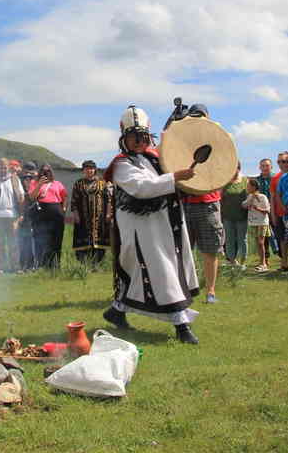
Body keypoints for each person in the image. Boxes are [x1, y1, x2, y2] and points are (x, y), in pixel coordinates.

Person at [102, 105, 200, 344]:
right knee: (162, 272)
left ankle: (117, 310)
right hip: (141, 230)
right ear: (125, 138)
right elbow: (143, 187)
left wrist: (178, 124)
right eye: (133, 137)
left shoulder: (157, 158)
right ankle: (182, 325)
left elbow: (174, 152)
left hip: (166, 223)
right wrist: (175, 177)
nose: (138, 142)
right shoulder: (122, 164)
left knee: (147, 273)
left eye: (142, 137)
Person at [181, 104, 224, 303]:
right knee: (183, 250)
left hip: (208, 202)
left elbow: (225, 164)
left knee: (210, 249)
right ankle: (184, 290)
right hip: (186, 202)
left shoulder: (217, 139)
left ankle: (211, 291)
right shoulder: (181, 142)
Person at [70, 160, 113, 268]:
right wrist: (76, 215)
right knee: (83, 238)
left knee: (99, 240)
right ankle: (84, 264)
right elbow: (74, 201)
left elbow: (108, 199)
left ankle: (97, 264)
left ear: (95, 170)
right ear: (83, 170)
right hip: (83, 218)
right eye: (86, 168)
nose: (89, 170)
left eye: (91, 168)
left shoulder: (102, 183)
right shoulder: (78, 184)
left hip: (100, 217)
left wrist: (108, 213)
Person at [0, 158, 25, 273]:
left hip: (13, 215)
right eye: (0, 167)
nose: (2, 169)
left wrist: (21, 214)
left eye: (4, 167)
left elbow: (22, 197)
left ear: (8, 167)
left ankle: (15, 267)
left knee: (13, 243)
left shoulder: (15, 179)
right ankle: (0, 267)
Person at [28, 164, 67, 269]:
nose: (45, 173)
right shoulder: (34, 182)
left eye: (48, 171)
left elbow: (65, 197)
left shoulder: (57, 183)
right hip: (41, 213)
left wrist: (63, 209)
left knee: (56, 239)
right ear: (39, 172)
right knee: (41, 239)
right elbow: (32, 197)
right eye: (43, 171)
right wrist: (39, 184)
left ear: (51, 172)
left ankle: (55, 265)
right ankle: (41, 265)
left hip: (56, 212)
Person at [220, 164, 248, 268]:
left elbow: (250, 196)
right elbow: (221, 199)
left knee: (242, 240)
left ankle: (242, 262)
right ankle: (231, 261)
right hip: (227, 216)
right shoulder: (224, 182)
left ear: (239, 169)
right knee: (229, 239)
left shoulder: (245, 181)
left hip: (242, 216)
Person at [242, 178, 271, 272]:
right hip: (253, 222)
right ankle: (261, 263)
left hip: (262, 222)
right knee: (257, 243)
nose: (247, 187)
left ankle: (263, 264)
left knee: (260, 242)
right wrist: (251, 200)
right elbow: (243, 205)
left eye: (248, 186)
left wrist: (257, 208)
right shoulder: (249, 196)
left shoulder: (262, 197)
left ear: (254, 187)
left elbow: (267, 210)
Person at [255, 158, 278, 261]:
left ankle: (282, 259)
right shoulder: (256, 181)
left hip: (275, 210)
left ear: (271, 167)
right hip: (260, 211)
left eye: (267, 165)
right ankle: (265, 261)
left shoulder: (276, 178)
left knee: (277, 233)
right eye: (263, 166)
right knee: (263, 238)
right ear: (260, 167)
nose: (265, 168)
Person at [16, 162, 38, 272]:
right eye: (26, 179)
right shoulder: (21, 191)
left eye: (30, 179)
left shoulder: (36, 191)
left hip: (33, 220)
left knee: (32, 244)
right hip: (23, 220)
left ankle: (31, 265)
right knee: (23, 244)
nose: (28, 180)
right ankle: (22, 265)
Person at [270, 152, 288, 271]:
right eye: (279, 161)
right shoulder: (275, 178)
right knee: (282, 239)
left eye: (284, 161)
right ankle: (284, 263)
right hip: (280, 213)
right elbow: (272, 198)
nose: (282, 164)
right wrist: (273, 215)